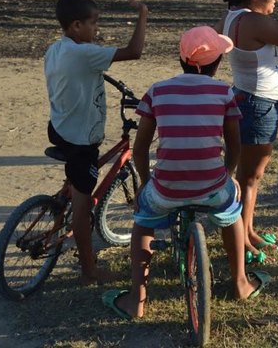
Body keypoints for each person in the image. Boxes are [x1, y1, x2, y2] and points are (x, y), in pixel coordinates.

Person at [102, 26, 269, 320]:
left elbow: (140, 149)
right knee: (231, 214)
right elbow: (234, 144)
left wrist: (144, 182)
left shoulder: (157, 90)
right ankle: (241, 283)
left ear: (181, 59)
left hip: (166, 189)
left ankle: (136, 300)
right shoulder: (223, 93)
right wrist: (228, 174)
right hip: (213, 187)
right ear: (216, 64)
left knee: (143, 221)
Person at [44, 0, 147, 285]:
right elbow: (134, 51)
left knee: (76, 180)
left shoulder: (56, 49)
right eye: (94, 23)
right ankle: (89, 269)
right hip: (79, 139)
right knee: (83, 203)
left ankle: (65, 196)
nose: (97, 30)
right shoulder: (85, 53)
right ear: (76, 26)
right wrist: (143, 14)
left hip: (60, 128)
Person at [214, 0, 278, 264]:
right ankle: (241, 241)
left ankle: (248, 231)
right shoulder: (253, 22)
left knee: (250, 176)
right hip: (257, 104)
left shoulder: (234, 16)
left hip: (253, 100)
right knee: (248, 177)